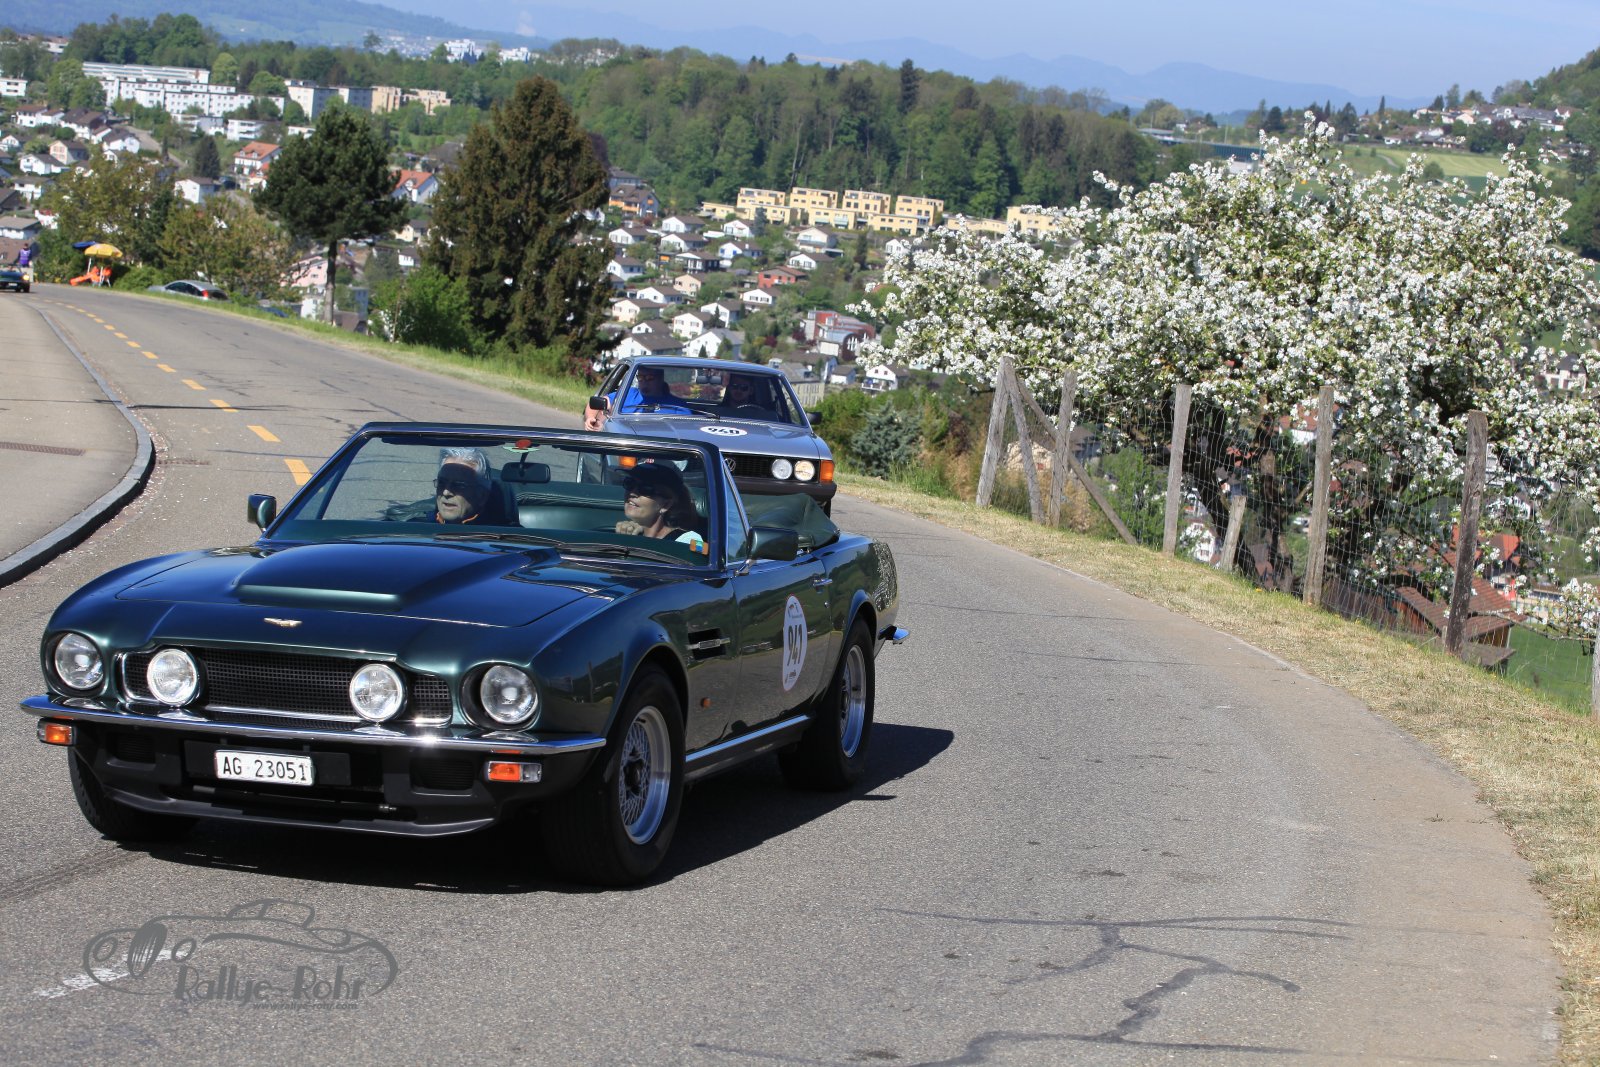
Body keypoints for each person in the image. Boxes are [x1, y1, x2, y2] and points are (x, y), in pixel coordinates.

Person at [614, 464, 707, 552]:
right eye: (629, 483)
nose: (632, 493)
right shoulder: (627, 533)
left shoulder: (688, 539)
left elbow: (706, 553)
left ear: (666, 505)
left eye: (646, 489)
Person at [428, 447, 495, 524]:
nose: (445, 493)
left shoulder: (499, 529)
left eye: (458, 485)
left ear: (482, 495)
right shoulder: (419, 523)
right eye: (441, 483)